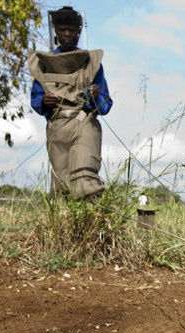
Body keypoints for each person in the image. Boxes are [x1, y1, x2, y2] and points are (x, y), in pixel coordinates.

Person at [28, 6, 113, 200]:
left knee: (85, 179)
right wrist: (43, 101)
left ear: (79, 31)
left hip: (84, 122)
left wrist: (96, 95)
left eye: (71, 30)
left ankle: (93, 225)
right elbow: (35, 98)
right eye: (62, 29)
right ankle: (62, 228)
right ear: (55, 31)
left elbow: (106, 104)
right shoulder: (45, 63)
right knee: (61, 186)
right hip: (57, 127)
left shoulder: (91, 63)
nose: (67, 34)